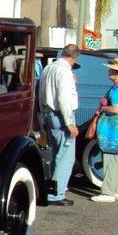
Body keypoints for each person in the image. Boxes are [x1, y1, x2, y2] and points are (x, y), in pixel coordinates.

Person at [38, 44, 80, 206]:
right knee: (66, 155)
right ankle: (57, 193)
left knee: (54, 151)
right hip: (61, 115)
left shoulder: (49, 68)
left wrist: (41, 115)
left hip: (48, 112)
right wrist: (69, 122)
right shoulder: (65, 71)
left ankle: (51, 187)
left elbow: (40, 92)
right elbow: (64, 98)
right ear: (75, 57)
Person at [91, 57, 118, 203]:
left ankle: (108, 192)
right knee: (117, 160)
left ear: (117, 72)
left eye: (111, 69)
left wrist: (102, 108)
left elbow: (116, 108)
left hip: (113, 128)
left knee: (110, 159)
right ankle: (116, 190)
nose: (109, 71)